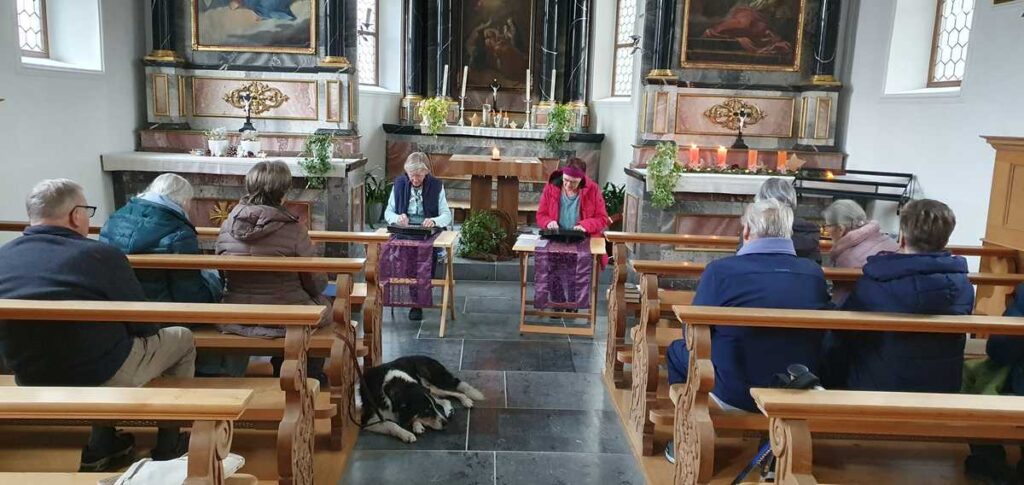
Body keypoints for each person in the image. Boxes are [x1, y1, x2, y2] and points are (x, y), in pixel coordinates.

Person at [0, 179, 195, 471]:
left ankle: (104, 445)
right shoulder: (100, 255)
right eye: (87, 210)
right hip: (102, 372)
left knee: (94, 344)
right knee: (182, 338)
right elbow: (144, 323)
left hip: (29, 373)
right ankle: (169, 442)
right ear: (75, 215)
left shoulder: (4, 256)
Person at [664, 198, 830, 463]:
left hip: (736, 390)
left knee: (676, 352)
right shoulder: (813, 273)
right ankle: (770, 443)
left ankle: (685, 434)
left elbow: (691, 334)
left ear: (747, 232)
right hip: (795, 386)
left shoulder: (721, 272)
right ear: (787, 233)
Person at [830, 199, 973, 393]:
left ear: (903, 235)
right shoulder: (963, 286)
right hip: (942, 387)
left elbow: (843, 333)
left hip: (880, 386)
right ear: (946, 239)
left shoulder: (877, 281)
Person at [99, 173, 229, 376]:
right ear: (184, 200)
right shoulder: (179, 231)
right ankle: (211, 372)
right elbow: (188, 293)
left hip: (121, 310)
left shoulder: (115, 219)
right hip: (164, 314)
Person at [216, 161, 330, 381]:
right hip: (286, 317)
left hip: (237, 314)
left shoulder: (227, 226)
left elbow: (223, 274)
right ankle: (309, 376)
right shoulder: (294, 230)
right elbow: (316, 282)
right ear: (282, 193)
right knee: (324, 310)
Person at [383, 152, 453, 321]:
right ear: (406, 172)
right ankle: (410, 298)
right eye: (411, 175)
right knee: (404, 260)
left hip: (427, 232)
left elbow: (446, 215)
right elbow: (388, 212)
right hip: (405, 230)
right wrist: (398, 218)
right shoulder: (399, 184)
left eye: (419, 175)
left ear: (426, 172)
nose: (415, 179)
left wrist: (434, 221)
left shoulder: (436, 186)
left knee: (425, 261)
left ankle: (417, 303)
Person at [821, 199, 898, 305]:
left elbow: (841, 300)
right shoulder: (890, 242)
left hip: (866, 312)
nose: (827, 230)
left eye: (828, 226)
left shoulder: (848, 258)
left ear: (840, 229)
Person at [738, 178, 822, 263]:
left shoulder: (753, 228)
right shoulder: (808, 231)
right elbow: (816, 264)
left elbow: (740, 261)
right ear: (792, 201)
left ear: (761, 202)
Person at [536, 157, 609, 235]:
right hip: (556, 236)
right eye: (566, 180)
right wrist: (548, 222)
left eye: (574, 182)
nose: (568, 185)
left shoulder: (593, 189)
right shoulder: (550, 187)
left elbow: (602, 218)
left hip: (584, 237)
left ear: (581, 179)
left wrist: (585, 225)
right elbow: (541, 215)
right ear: (562, 175)